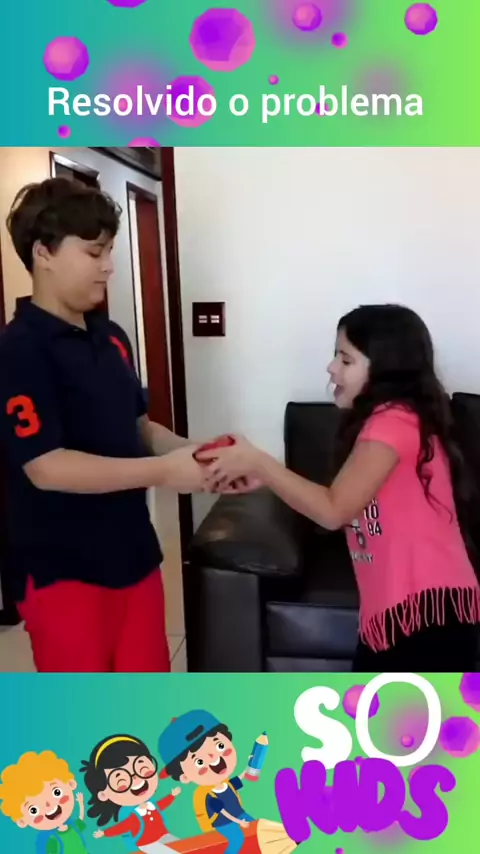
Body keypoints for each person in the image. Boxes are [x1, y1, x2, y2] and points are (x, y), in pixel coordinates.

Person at [0, 177, 215, 673]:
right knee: (88, 714)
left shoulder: (113, 336)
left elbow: (139, 427)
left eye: (110, 251)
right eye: (94, 252)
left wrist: (195, 452)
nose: (109, 266)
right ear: (43, 253)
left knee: (145, 701)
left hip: (134, 553)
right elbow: (47, 467)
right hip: (62, 570)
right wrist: (164, 472)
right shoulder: (19, 350)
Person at [197, 304, 480, 672]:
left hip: (427, 618)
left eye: (346, 359)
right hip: (408, 614)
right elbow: (336, 500)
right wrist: (266, 477)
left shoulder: (393, 423)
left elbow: (333, 510)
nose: (331, 368)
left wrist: (259, 463)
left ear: (386, 369)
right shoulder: (391, 420)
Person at [158, 710, 255, 853]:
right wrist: (239, 822)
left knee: (256, 827)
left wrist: (250, 766)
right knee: (237, 839)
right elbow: (223, 812)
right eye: (199, 761)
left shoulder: (227, 784)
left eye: (220, 746)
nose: (213, 757)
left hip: (240, 815)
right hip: (224, 823)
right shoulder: (208, 795)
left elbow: (239, 779)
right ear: (185, 777)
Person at [81, 734, 179, 853]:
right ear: (103, 794)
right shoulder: (133, 816)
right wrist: (105, 833)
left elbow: (162, 804)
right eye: (122, 781)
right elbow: (122, 827)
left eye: (143, 769)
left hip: (163, 836)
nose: (136, 779)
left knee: (180, 845)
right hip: (147, 844)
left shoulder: (152, 805)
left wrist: (172, 795)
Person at [0, 750, 90, 853]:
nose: (48, 805)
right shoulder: (52, 840)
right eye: (33, 810)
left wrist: (81, 803)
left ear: (71, 784)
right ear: (22, 821)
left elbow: (81, 820)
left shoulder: (73, 827)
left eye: (57, 792)